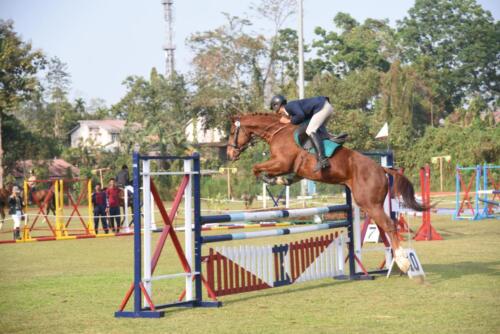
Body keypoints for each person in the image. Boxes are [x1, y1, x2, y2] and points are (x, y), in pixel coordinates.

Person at [270, 95, 342, 171]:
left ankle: (322, 160)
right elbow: (303, 118)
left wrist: (289, 121)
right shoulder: (292, 107)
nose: (279, 114)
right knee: (317, 130)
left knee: (310, 130)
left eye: (278, 111)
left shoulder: (289, 106)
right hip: (326, 107)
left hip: (322, 107)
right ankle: (335, 139)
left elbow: (300, 115)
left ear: (278, 106)